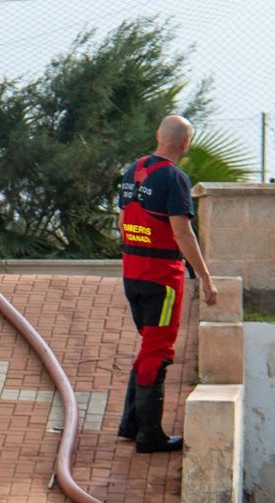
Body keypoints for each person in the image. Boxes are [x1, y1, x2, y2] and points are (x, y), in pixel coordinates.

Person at [114, 115, 218, 453]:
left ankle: (131, 425)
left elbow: (122, 218)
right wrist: (205, 277)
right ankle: (149, 435)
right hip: (162, 278)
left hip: (132, 272)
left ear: (158, 135)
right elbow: (182, 232)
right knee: (158, 350)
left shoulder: (134, 169)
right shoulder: (174, 178)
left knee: (149, 345)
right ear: (185, 144)